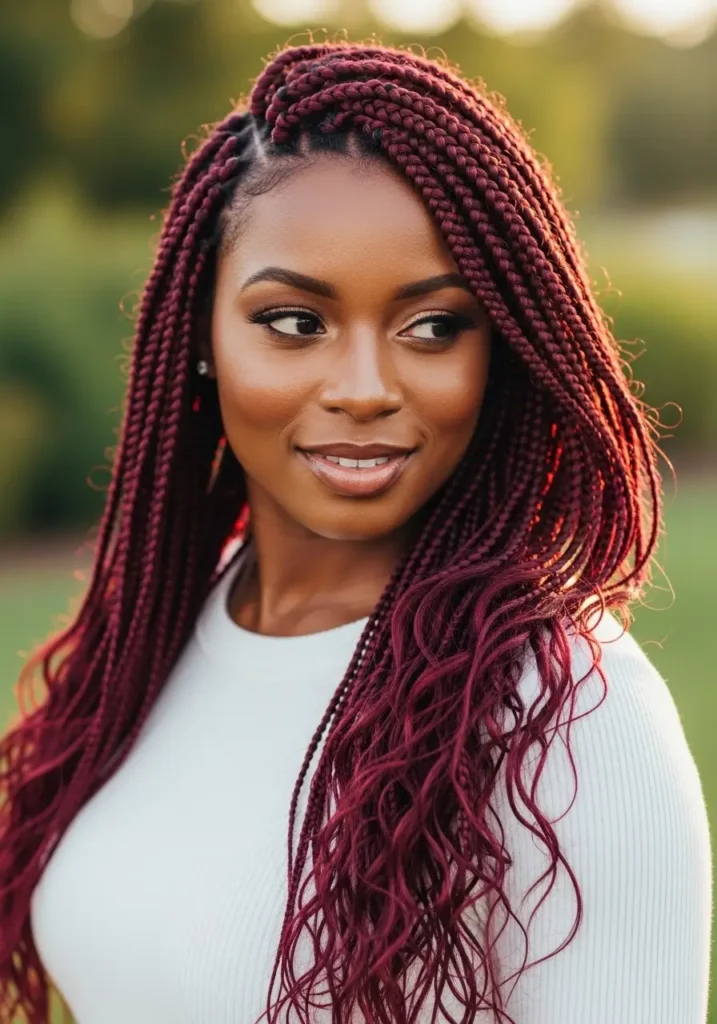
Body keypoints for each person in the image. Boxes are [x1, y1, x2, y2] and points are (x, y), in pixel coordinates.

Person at [0, 41, 711, 1024]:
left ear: (496, 349)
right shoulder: (164, 627)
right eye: (294, 322)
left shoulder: (574, 711)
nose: (366, 389)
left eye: (433, 327)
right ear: (203, 333)